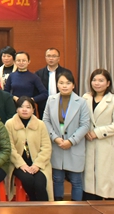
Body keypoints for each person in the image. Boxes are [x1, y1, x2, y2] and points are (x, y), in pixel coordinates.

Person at [42, 72, 90, 201]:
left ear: (73, 85)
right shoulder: (51, 100)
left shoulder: (81, 102)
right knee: (57, 178)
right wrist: (55, 138)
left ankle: (77, 207)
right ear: (57, 85)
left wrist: (71, 141)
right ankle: (58, 205)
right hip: (57, 144)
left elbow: (85, 125)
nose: (64, 86)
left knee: (76, 180)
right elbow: (45, 120)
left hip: (74, 145)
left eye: (68, 83)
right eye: (61, 83)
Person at [83, 69, 114, 200]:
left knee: (106, 177)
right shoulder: (85, 98)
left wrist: (97, 132)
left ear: (108, 83)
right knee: (89, 180)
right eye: (94, 80)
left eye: (101, 80)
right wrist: (84, 131)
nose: (97, 83)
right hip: (88, 142)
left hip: (106, 144)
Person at [5, 96, 53, 201]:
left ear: (33, 110)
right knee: (28, 179)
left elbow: (46, 147)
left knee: (40, 183)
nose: (24, 110)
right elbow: (9, 147)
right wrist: (21, 164)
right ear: (16, 109)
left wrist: (37, 164)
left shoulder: (40, 124)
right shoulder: (9, 124)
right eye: (21, 107)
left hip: (38, 163)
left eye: (28, 107)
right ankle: (34, 201)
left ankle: (45, 208)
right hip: (18, 164)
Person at [35, 48, 73, 116]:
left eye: (54, 56)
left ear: (58, 58)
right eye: (48, 56)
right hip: (44, 107)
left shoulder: (66, 72)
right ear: (45, 58)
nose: (51, 58)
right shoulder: (39, 74)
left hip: (63, 105)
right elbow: (36, 92)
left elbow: (72, 89)